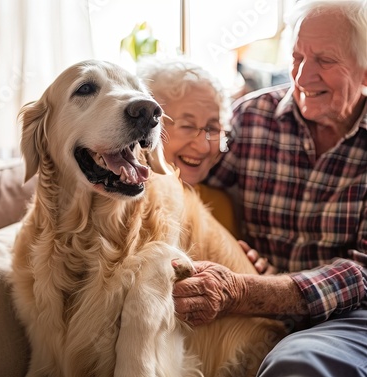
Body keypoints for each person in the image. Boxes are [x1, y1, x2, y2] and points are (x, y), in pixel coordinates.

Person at [174, 0, 367, 376]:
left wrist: (246, 290)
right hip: (256, 301)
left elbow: (363, 273)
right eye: (297, 57)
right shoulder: (252, 117)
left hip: (348, 315)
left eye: (325, 61)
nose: (302, 76)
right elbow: (193, 186)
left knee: (295, 364)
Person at [137, 58, 238, 236]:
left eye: (213, 129)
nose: (203, 147)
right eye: (187, 126)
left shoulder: (220, 206)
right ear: (147, 127)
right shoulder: (126, 201)